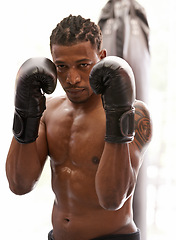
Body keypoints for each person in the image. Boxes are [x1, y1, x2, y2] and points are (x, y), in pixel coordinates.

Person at [6, 15, 152, 240]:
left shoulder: (135, 113)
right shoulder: (48, 113)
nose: (72, 78)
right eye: (61, 67)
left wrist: (118, 115)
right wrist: (25, 112)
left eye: (83, 65)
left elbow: (113, 199)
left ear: (101, 58)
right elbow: (19, 184)